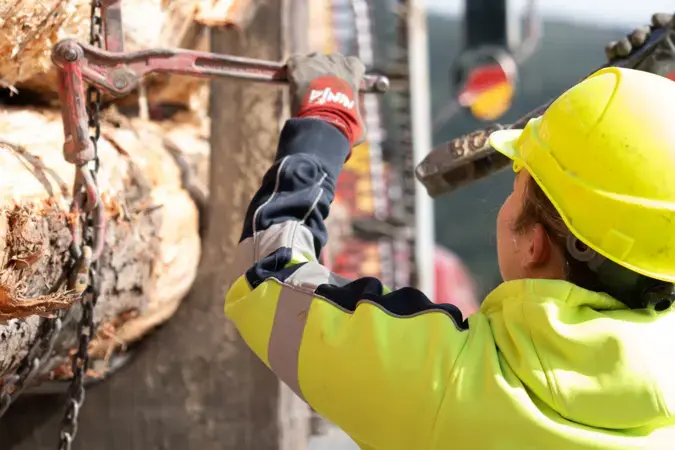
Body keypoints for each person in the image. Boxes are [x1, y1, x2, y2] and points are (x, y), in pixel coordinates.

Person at [225, 14, 675, 450]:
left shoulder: (449, 387)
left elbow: (267, 275)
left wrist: (326, 123)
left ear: (534, 245)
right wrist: (649, 126)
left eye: (517, 181)